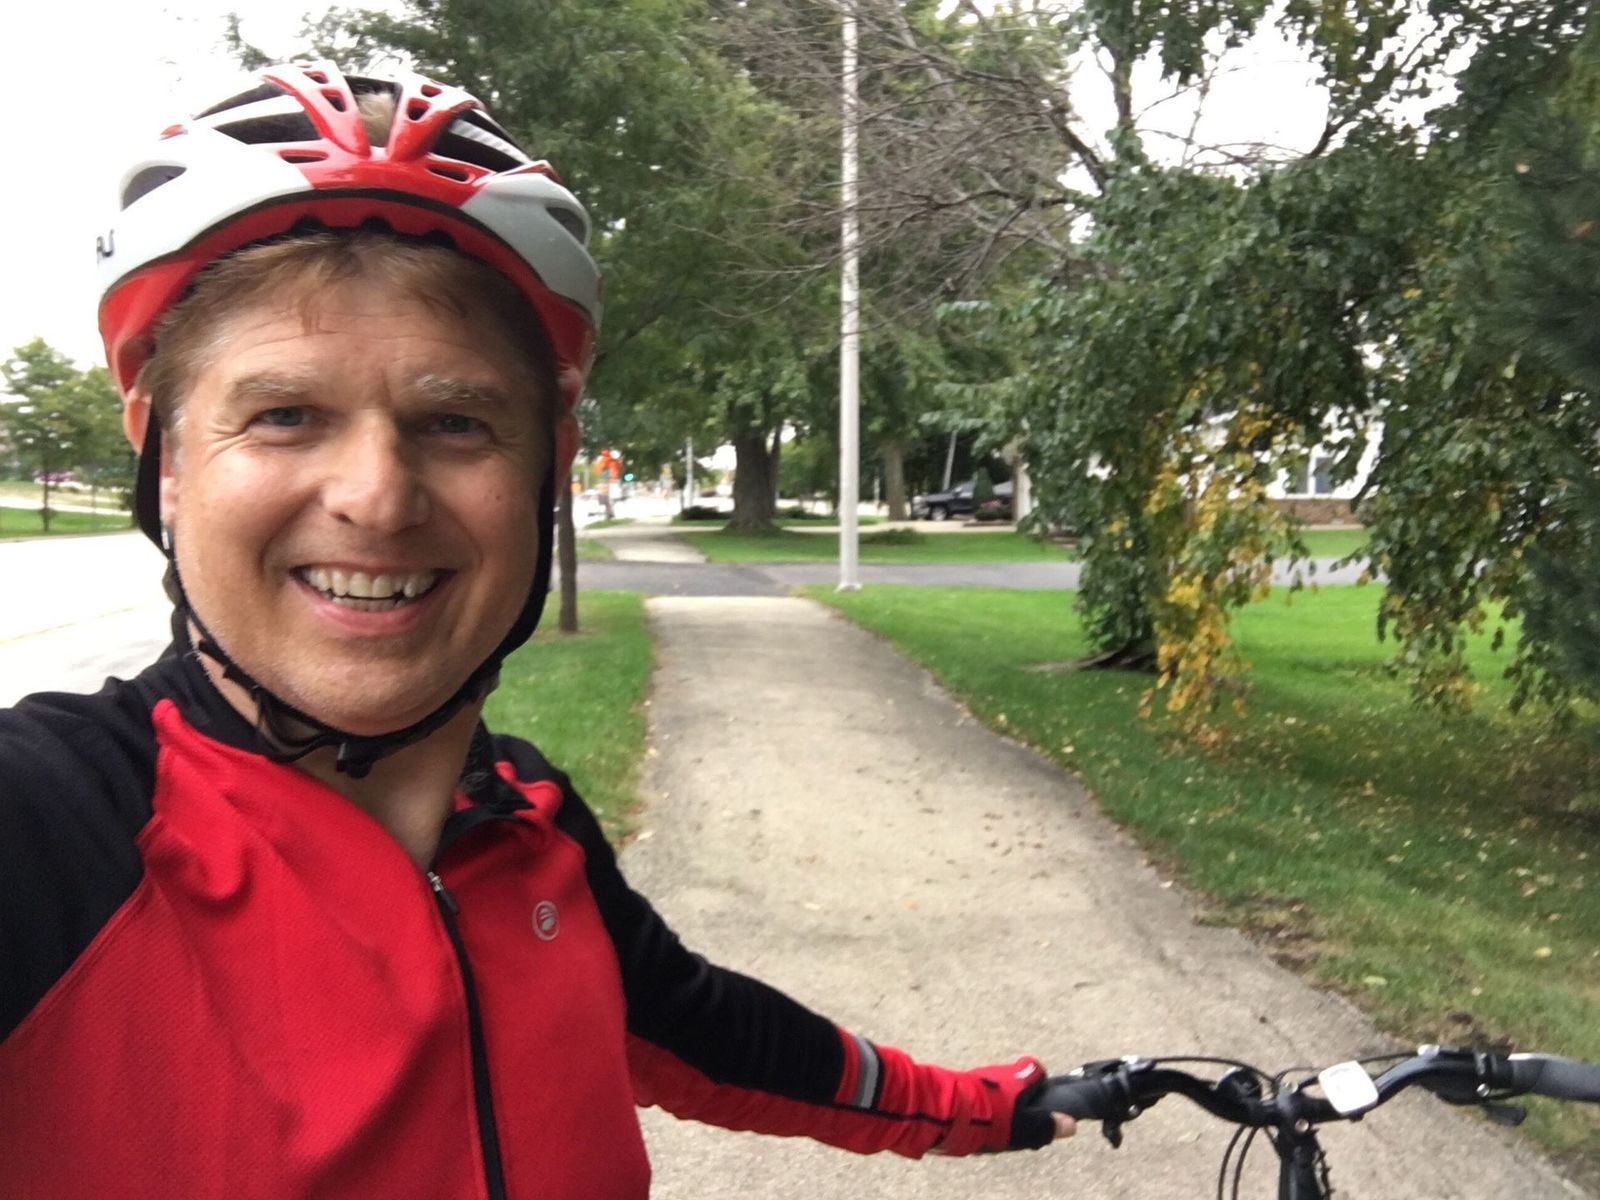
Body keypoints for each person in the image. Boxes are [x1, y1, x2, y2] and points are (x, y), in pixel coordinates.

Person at [0, 62, 1071, 1198]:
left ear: (548, 464)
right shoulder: (46, 836)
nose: (377, 498)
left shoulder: (529, 818)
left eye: (456, 421)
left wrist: (997, 1106)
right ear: (165, 457)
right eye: (285, 414)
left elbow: (711, 1032)